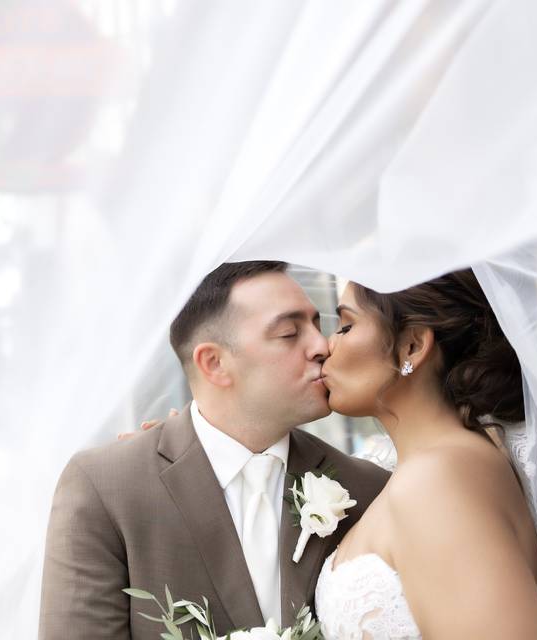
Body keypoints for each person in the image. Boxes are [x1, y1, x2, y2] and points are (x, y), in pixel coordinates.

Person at [38, 261, 390, 639]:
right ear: (214, 363)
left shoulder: (368, 489)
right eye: (290, 333)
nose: (322, 346)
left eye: (317, 326)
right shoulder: (106, 487)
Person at [314, 269, 537, 638]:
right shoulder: (449, 462)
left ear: (412, 346)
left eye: (346, 326)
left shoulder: (437, 479)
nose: (325, 346)